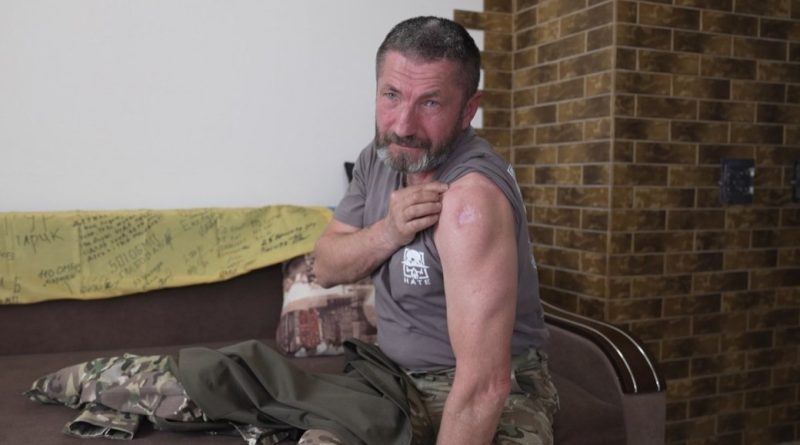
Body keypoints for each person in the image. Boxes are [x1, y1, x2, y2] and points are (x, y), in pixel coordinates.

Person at [313, 16, 558, 445]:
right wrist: (389, 232)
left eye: (430, 103)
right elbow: (325, 268)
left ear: (469, 109)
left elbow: (484, 386)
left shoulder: (471, 200)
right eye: (391, 95)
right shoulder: (378, 158)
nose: (402, 126)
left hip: (497, 385)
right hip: (391, 379)